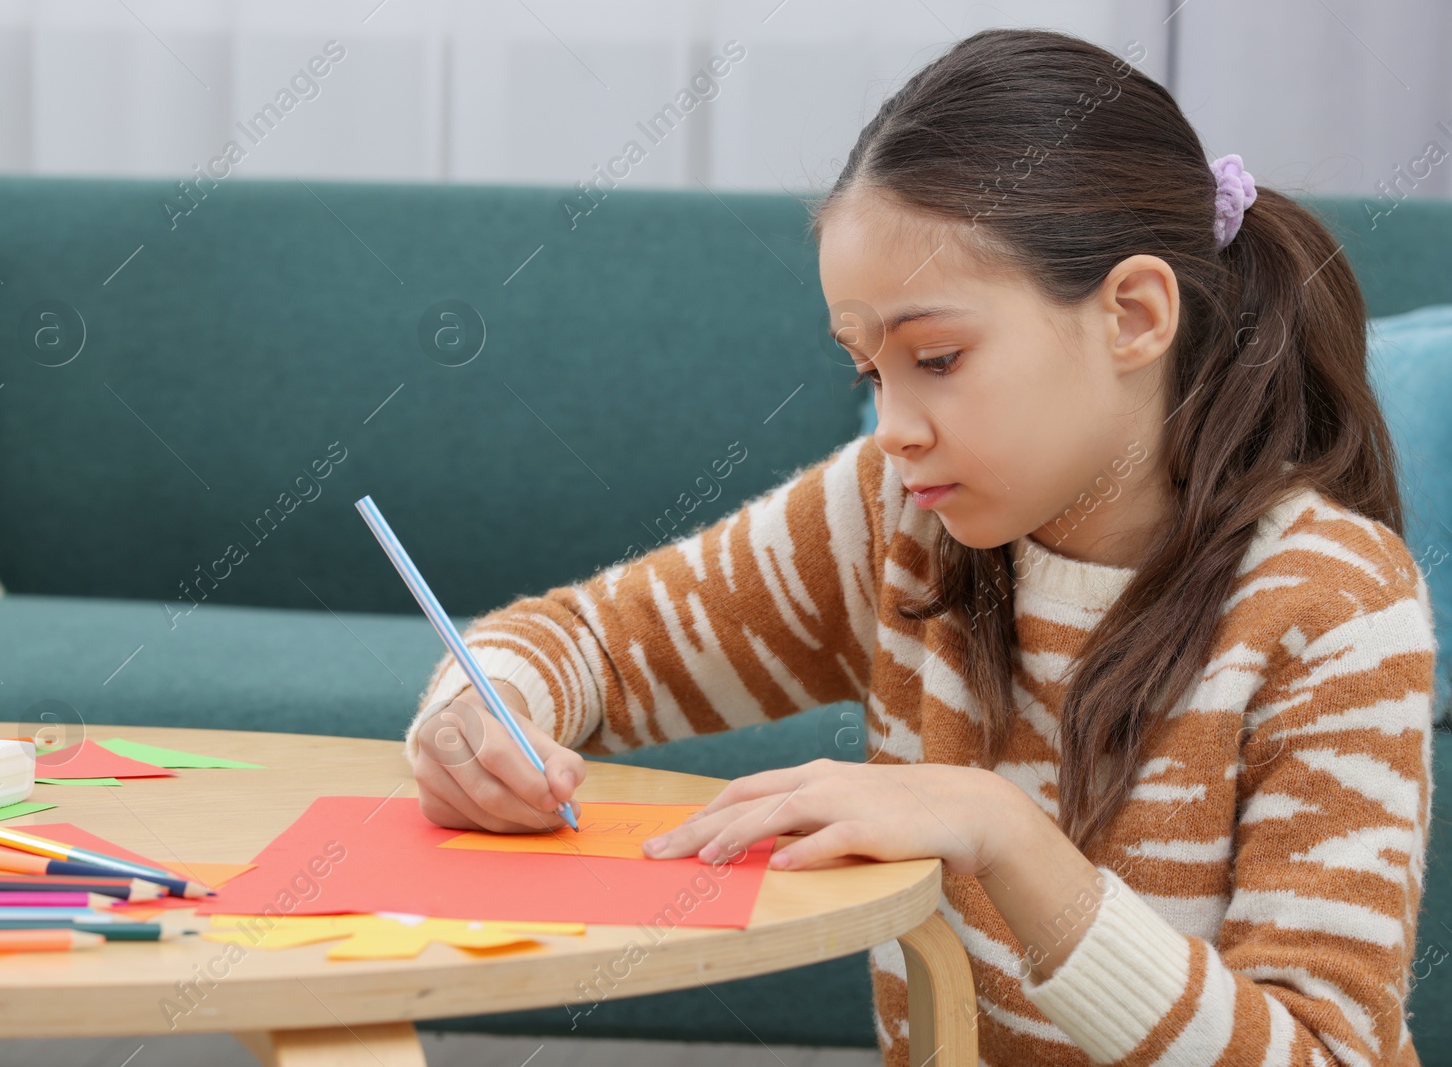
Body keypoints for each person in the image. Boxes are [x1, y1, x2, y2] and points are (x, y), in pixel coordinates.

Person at [403, 25, 1438, 1067]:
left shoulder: (1332, 606)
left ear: (1131, 313)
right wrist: (477, 716)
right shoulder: (896, 518)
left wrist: (1010, 837)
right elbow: (589, 640)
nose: (894, 424)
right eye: (869, 371)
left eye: (936, 356)